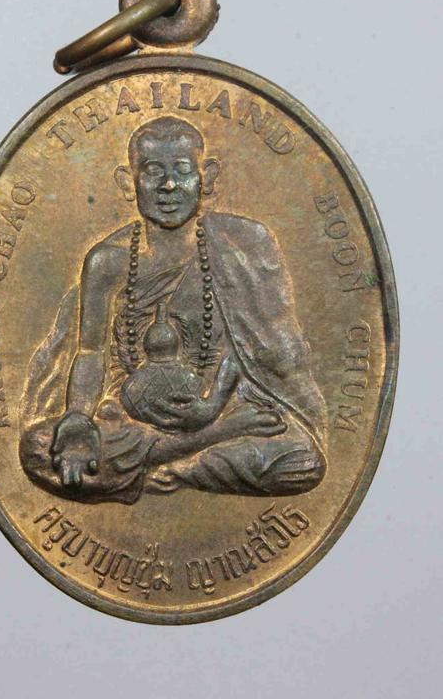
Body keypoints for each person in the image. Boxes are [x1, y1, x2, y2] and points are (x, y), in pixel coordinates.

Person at [20, 116, 327, 504]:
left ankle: (169, 467)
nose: (168, 186)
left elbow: (262, 351)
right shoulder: (107, 261)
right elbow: (91, 351)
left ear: (206, 178)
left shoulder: (245, 243)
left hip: (221, 405)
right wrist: (79, 418)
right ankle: (189, 453)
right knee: (37, 448)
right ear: (127, 183)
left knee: (304, 460)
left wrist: (212, 409)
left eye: (182, 170)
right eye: (153, 172)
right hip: (129, 417)